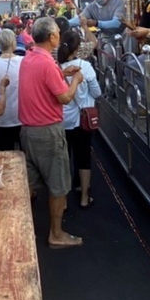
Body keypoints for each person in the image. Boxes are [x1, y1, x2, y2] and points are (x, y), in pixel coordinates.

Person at [19, 17, 85, 248]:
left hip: (29, 131)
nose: (59, 34)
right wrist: (75, 80)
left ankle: (20, 231)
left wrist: (63, 73)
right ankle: (56, 234)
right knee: (58, 186)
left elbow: (44, 81)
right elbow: (65, 97)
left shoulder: (31, 57)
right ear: (51, 37)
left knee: (30, 183)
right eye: (57, 31)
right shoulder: (46, 63)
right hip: (47, 132)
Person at [57, 32, 101, 209]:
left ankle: (64, 200)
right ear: (78, 48)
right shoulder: (86, 67)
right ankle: (84, 197)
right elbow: (97, 92)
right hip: (83, 120)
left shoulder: (57, 67)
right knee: (83, 158)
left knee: (64, 159)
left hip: (63, 120)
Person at [0, 29, 23, 152]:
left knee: (2, 156)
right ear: (13, 43)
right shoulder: (23, 62)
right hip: (21, 117)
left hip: (0, 119)